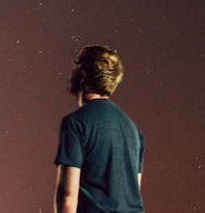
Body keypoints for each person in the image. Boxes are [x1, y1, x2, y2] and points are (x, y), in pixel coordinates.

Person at [54, 45, 145, 213]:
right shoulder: (135, 131)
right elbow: (133, 190)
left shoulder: (76, 123)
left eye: (74, 69)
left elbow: (68, 197)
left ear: (82, 75)